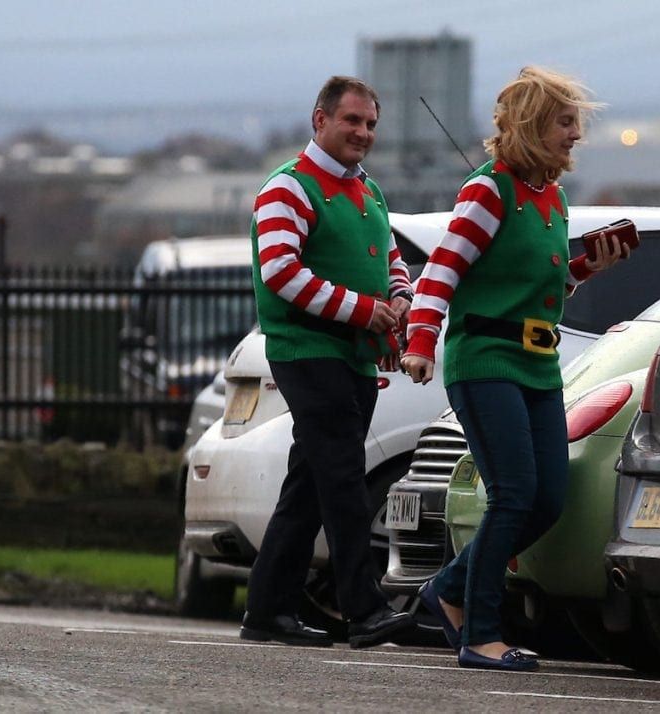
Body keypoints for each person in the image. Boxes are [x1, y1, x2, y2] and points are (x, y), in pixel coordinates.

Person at [401, 66, 628, 671]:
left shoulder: (551, 196)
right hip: (486, 360)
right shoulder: (489, 189)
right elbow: (441, 272)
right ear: (532, 124)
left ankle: (447, 589)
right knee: (513, 494)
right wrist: (420, 341)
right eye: (564, 120)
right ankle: (480, 632)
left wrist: (584, 271)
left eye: (574, 121)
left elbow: (537, 285)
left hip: (537, 363)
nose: (575, 133)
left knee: (547, 499)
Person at [241, 76, 416, 649]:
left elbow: (394, 261)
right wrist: (365, 312)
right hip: (308, 353)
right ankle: (364, 610)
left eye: (370, 124)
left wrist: (399, 301)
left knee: (310, 487)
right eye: (352, 121)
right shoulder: (287, 188)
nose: (363, 133)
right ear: (320, 120)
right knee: (343, 479)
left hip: (356, 358)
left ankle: (266, 611)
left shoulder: (369, 192)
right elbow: (280, 273)